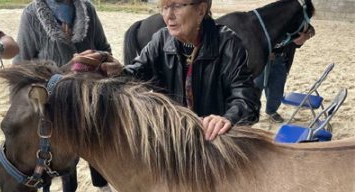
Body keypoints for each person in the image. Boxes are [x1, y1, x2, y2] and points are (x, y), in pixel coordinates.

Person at [73, 0, 261, 141]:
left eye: (177, 6)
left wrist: (227, 118)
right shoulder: (161, 39)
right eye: (164, 6)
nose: (168, 15)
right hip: (175, 140)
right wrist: (117, 72)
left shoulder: (228, 44)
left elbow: (247, 100)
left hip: (213, 141)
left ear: (201, 9)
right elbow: (137, 72)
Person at [12, 0, 112, 191]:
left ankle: (102, 185)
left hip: (88, 100)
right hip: (53, 107)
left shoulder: (87, 9)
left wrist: (97, 58)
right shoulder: (31, 14)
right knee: (63, 166)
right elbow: (21, 67)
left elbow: (105, 48)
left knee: (98, 148)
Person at [254, 25, 316, 123]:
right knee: (255, 87)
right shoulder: (265, 16)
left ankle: (271, 111)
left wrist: (306, 36)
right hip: (260, 61)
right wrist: (263, 52)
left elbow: (311, 30)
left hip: (281, 60)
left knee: (277, 89)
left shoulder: (293, 18)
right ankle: (251, 111)